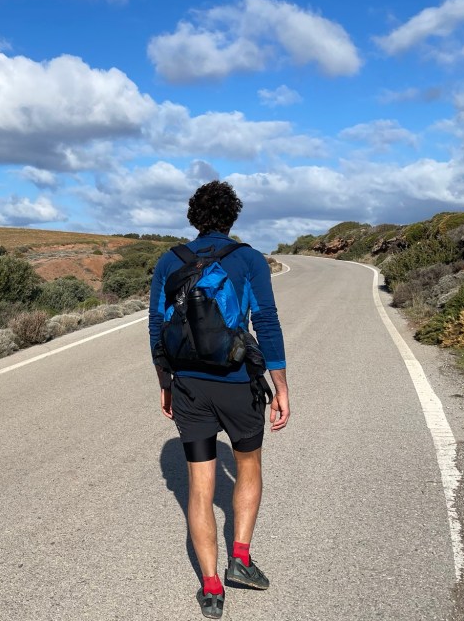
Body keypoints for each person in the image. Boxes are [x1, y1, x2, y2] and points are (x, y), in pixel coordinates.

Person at [149, 180, 289, 619]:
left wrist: (166, 382)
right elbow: (266, 321)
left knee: (199, 486)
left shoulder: (169, 260)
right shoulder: (248, 258)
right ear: (232, 217)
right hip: (238, 383)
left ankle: (211, 587)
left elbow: (156, 327)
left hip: (190, 385)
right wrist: (281, 385)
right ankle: (240, 560)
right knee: (248, 466)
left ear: (193, 217)